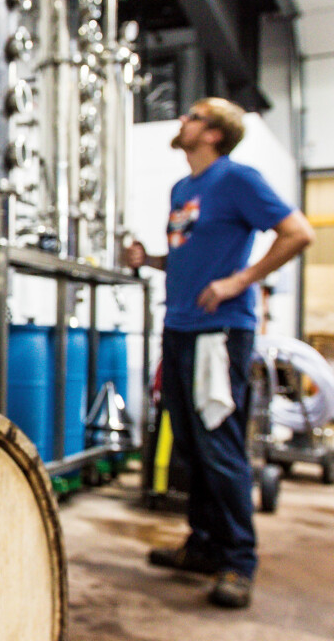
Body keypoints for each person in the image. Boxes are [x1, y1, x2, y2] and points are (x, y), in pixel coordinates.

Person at [126, 97, 314, 608]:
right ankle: (204, 545)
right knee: (188, 441)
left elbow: (298, 233)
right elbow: (190, 257)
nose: (182, 120)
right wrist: (153, 260)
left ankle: (238, 561)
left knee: (218, 444)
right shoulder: (183, 189)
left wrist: (239, 281)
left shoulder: (237, 179)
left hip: (218, 331)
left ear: (213, 133)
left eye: (193, 115)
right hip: (180, 326)